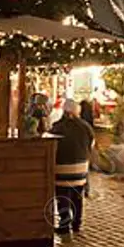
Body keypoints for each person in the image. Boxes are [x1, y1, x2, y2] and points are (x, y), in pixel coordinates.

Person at [50, 99, 95, 236]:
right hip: (81, 169)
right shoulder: (86, 127)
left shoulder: (58, 126)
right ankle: (76, 223)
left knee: (63, 197)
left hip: (62, 169)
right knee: (77, 197)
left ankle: (64, 224)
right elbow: (91, 145)